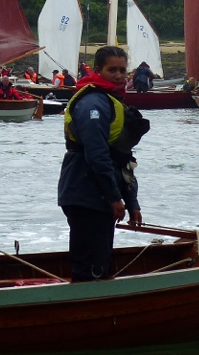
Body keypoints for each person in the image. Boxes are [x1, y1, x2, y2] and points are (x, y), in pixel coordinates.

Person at [59, 45, 150, 282]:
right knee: (91, 268)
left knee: (100, 262)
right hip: (85, 194)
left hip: (103, 197)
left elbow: (123, 158)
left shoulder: (113, 101)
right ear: (98, 70)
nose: (119, 76)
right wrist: (113, 197)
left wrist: (132, 202)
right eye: (112, 70)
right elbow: (97, 154)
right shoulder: (93, 104)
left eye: (122, 70)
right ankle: (84, 308)